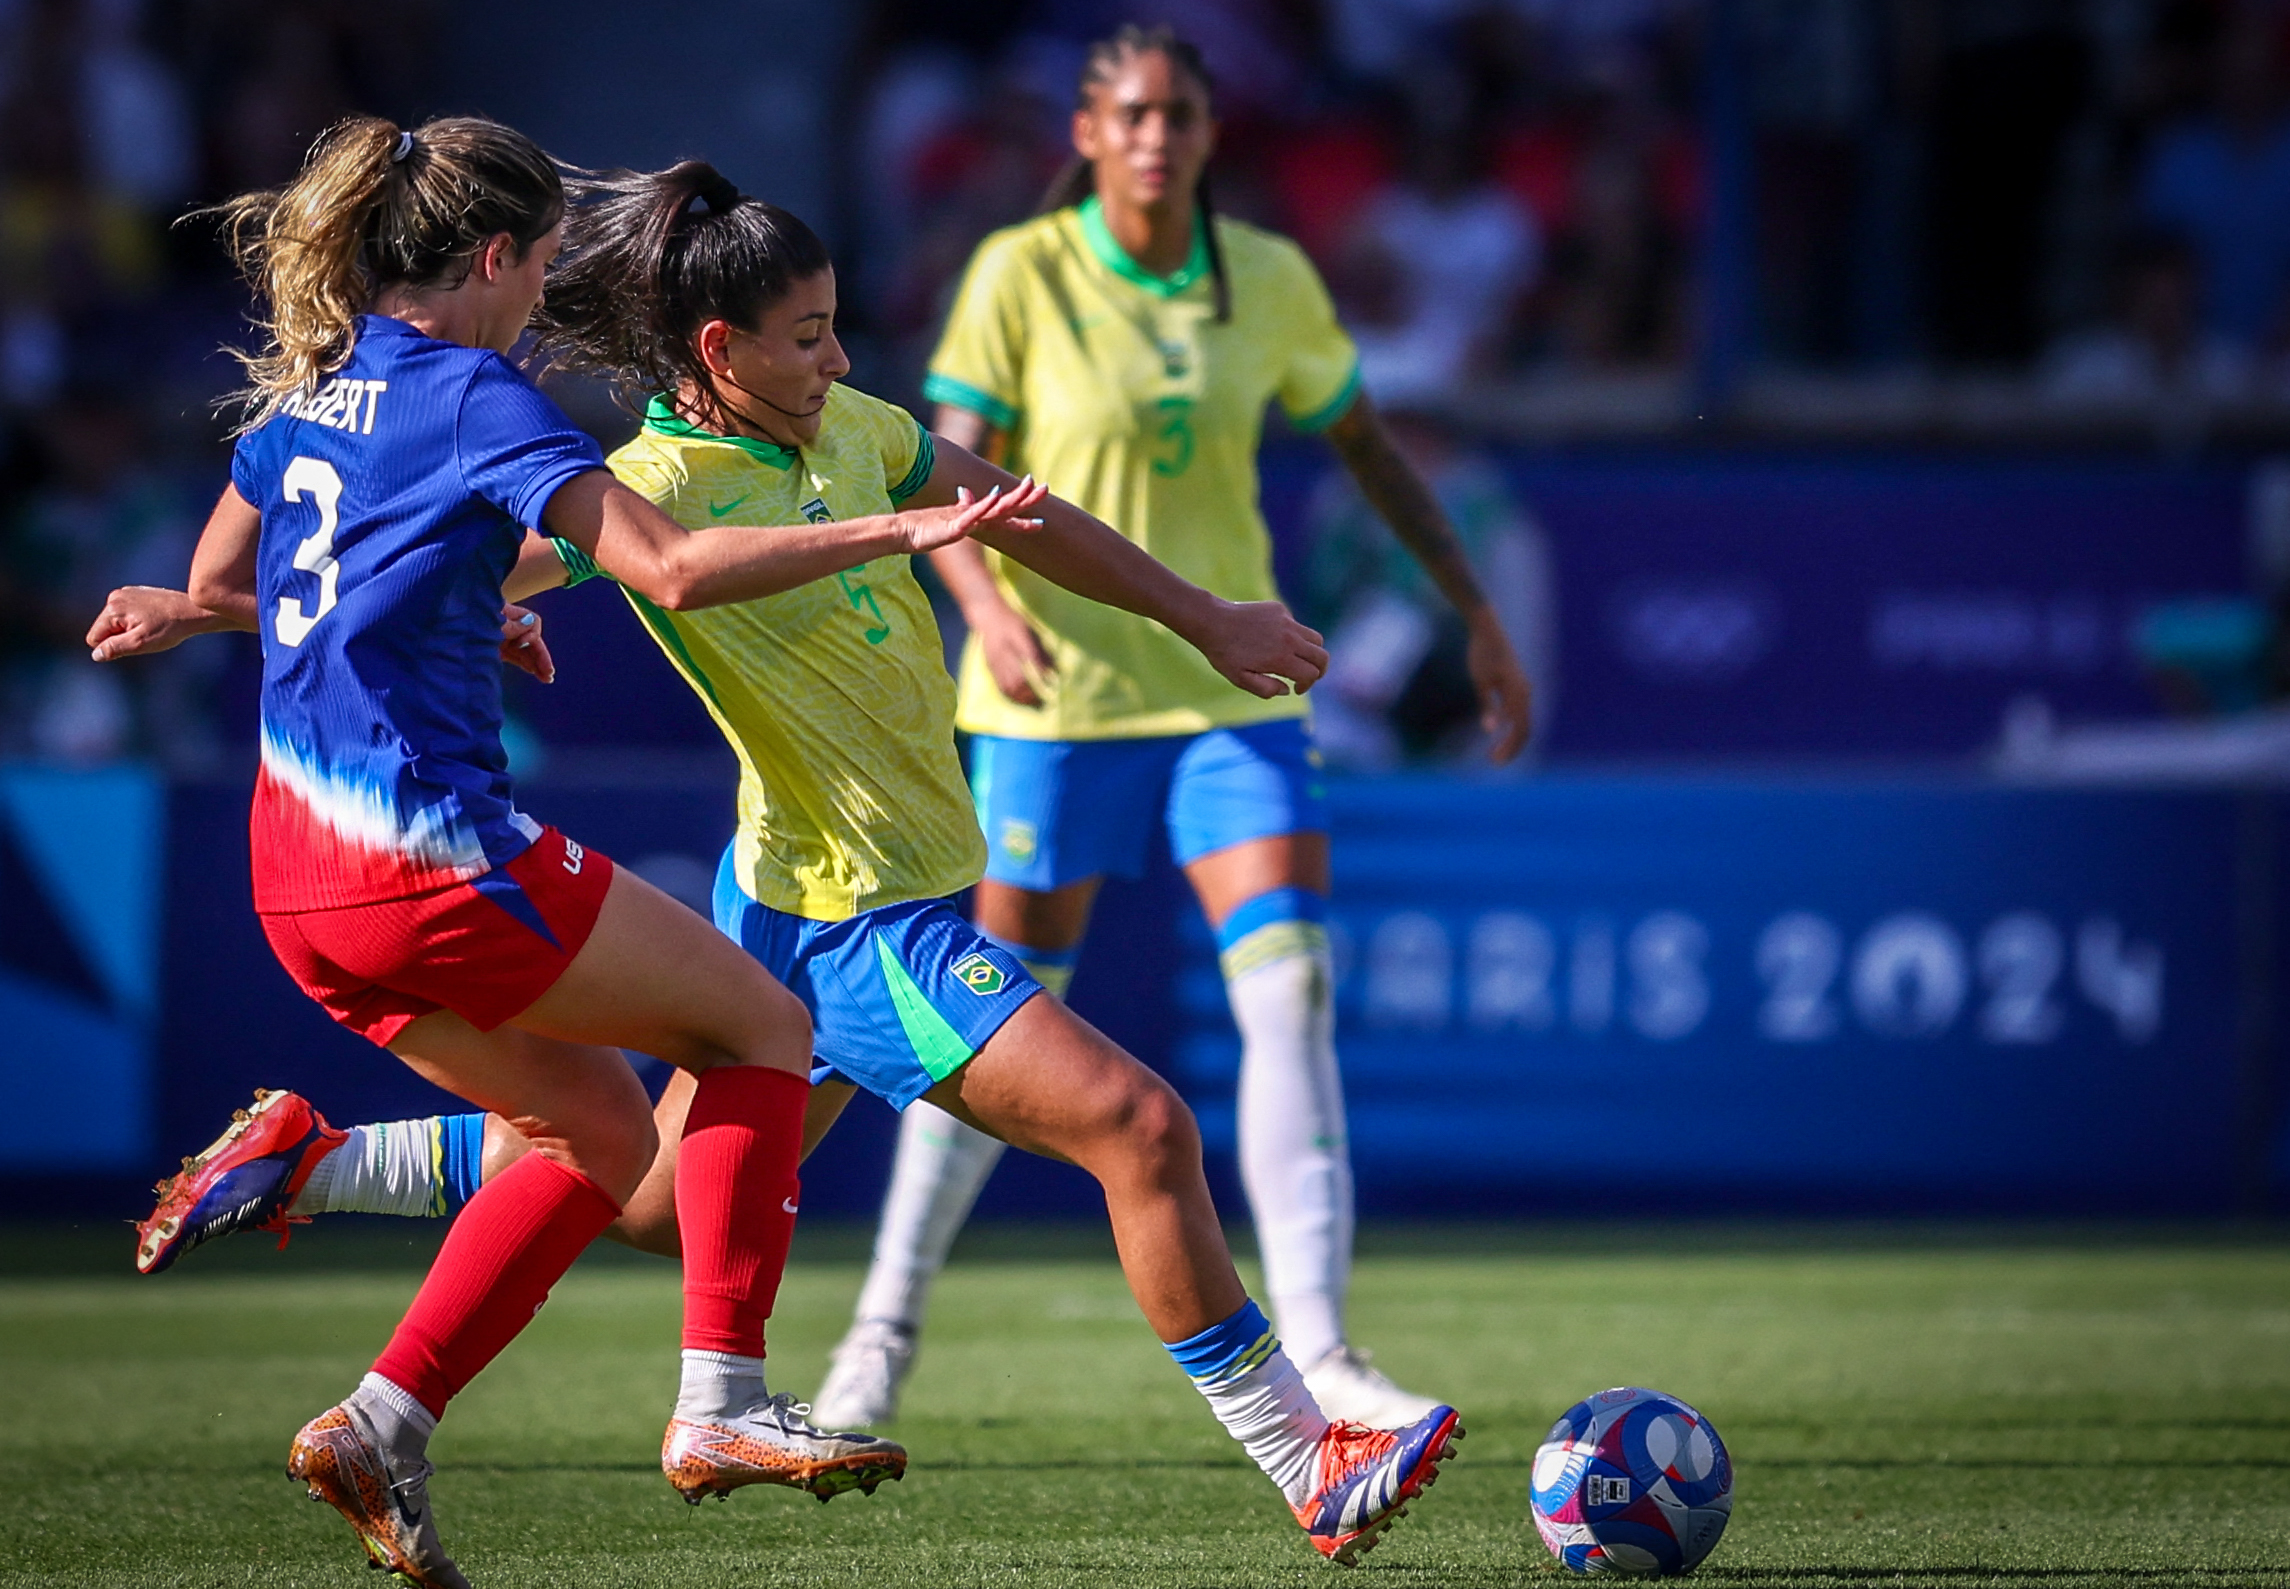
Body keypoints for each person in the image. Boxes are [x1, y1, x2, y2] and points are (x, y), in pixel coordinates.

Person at [99, 154, 1462, 1566]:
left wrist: (1205, 617)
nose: (838, 359)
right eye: (807, 336)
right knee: (1140, 1129)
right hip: (858, 913)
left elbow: (1027, 514)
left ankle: (318, 1166)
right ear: (719, 348)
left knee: (641, 1192)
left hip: (773, 894)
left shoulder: (857, 429)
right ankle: (1306, 1454)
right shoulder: (650, 479)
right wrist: (297, 613)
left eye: (835, 328)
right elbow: (461, 567)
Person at [111, 113, 1095, 1588]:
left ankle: (380, 1418)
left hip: (294, 881)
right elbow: (675, 571)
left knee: (599, 1139)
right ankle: (723, 1403)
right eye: (541, 269)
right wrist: (898, 531)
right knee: (766, 1026)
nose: (539, 303)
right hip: (430, 857)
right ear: (494, 257)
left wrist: (456, 612)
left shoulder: (313, 389)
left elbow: (218, 578)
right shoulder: (477, 398)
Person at [810, 23, 1533, 1433]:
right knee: (993, 1023)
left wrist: (1476, 609)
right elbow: (934, 471)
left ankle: (1325, 1352)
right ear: (1087, 133)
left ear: (1209, 132)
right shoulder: (1018, 273)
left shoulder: (1267, 277)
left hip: (1227, 691)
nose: (1158, 136)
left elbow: (1371, 449)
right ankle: (881, 1330)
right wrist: (985, 609)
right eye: (1132, 114)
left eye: (1181, 114)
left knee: (1291, 991)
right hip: (1056, 699)